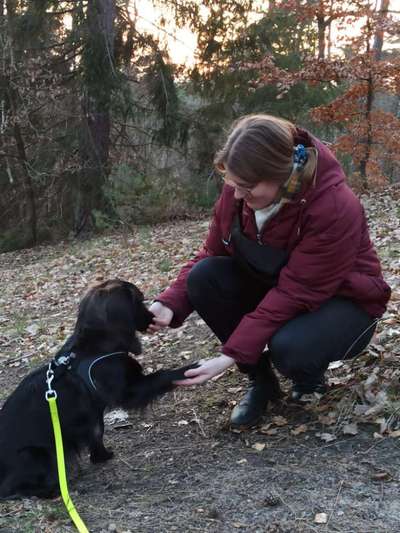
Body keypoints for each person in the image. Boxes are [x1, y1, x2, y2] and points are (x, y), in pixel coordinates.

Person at [147, 114, 391, 429]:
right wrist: (168, 302)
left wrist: (229, 354)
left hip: (344, 303)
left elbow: (297, 290)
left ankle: (308, 377)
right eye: (231, 184)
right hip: (282, 286)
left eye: (245, 187)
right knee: (204, 277)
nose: (236, 195)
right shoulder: (240, 190)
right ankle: (261, 383)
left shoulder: (332, 206)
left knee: (290, 347)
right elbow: (213, 251)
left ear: (281, 176)